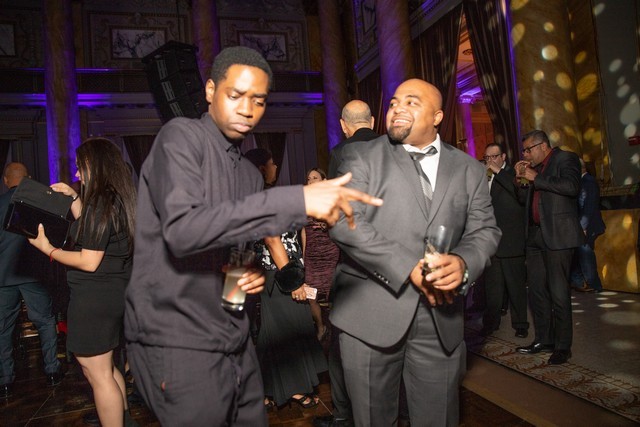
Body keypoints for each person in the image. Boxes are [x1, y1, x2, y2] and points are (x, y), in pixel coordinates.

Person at [124, 46, 382, 427]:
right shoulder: (179, 139)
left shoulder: (248, 174)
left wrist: (239, 286)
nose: (247, 109)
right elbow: (182, 230)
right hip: (177, 338)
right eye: (236, 95)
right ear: (210, 91)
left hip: (233, 335)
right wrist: (297, 200)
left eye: (258, 101)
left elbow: (238, 251)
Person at [329, 78, 501, 426]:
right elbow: (346, 222)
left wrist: (464, 262)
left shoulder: (469, 168)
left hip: (440, 317)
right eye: (394, 102)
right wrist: (407, 266)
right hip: (370, 314)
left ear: (437, 116)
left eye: (411, 102)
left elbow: (485, 230)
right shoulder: (360, 156)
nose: (397, 108)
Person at [28, 138, 138, 426]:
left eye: (80, 167)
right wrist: (74, 199)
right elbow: (93, 232)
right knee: (106, 367)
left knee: (97, 373)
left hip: (94, 299)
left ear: (96, 165)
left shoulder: (101, 201)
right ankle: (124, 420)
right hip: (111, 293)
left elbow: (89, 260)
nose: (77, 174)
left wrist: (49, 249)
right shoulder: (115, 197)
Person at [245, 149, 328, 409]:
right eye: (271, 163)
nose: (275, 167)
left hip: (277, 271)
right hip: (280, 274)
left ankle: (266, 389)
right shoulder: (263, 198)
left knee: (272, 332)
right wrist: (293, 281)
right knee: (289, 330)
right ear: (261, 169)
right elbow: (272, 240)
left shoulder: (259, 195)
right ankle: (293, 389)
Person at [315, 101, 379, 427]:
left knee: (341, 341)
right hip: (390, 262)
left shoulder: (342, 152)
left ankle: (344, 415)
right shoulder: (395, 150)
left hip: (353, 261)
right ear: (373, 121)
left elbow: (338, 211)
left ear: (343, 125)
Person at [514, 130, 583, 365]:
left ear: (543, 146)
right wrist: (521, 180)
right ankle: (544, 339)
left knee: (558, 292)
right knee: (536, 291)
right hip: (535, 236)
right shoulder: (535, 169)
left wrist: (536, 178)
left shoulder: (565, 159)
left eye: (528, 149)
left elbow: (572, 187)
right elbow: (524, 200)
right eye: (524, 150)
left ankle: (563, 346)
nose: (525, 154)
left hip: (558, 235)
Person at [0, 163, 63, 399]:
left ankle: (5, 380)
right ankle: (52, 371)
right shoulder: (36, 203)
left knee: (3, 329)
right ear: (27, 178)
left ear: (5, 180)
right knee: (44, 321)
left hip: (3, 276)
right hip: (32, 274)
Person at [480, 143, 529, 338]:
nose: (490, 161)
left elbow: (520, 194)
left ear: (503, 157)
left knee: (516, 288)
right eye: (487, 157)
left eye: (494, 156)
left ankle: (521, 324)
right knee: (492, 289)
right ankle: (490, 323)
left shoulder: (513, 174)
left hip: (511, 241)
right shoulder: (485, 177)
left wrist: (498, 172)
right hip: (491, 243)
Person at [303, 167, 339, 341]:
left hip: (329, 253)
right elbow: (304, 231)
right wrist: (304, 254)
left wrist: (328, 224)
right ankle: (320, 327)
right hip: (312, 255)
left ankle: (337, 328)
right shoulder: (305, 202)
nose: (310, 181)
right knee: (311, 295)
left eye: (315, 178)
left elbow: (341, 225)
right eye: (308, 179)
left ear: (324, 181)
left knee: (332, 294)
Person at [570, 159, 605, 292]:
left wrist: (583, 226)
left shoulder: (588, 182)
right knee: (580, 254)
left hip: (588, 226)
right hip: (583, 225)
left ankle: (594, 284)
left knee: (586, 255)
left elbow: (589, 206)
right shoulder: (582, 182)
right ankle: (578, 282)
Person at [327, 100, 378, 179]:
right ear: (372, 122)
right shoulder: (392, 145)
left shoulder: (338, 152)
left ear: (343, 125)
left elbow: (334, 186)